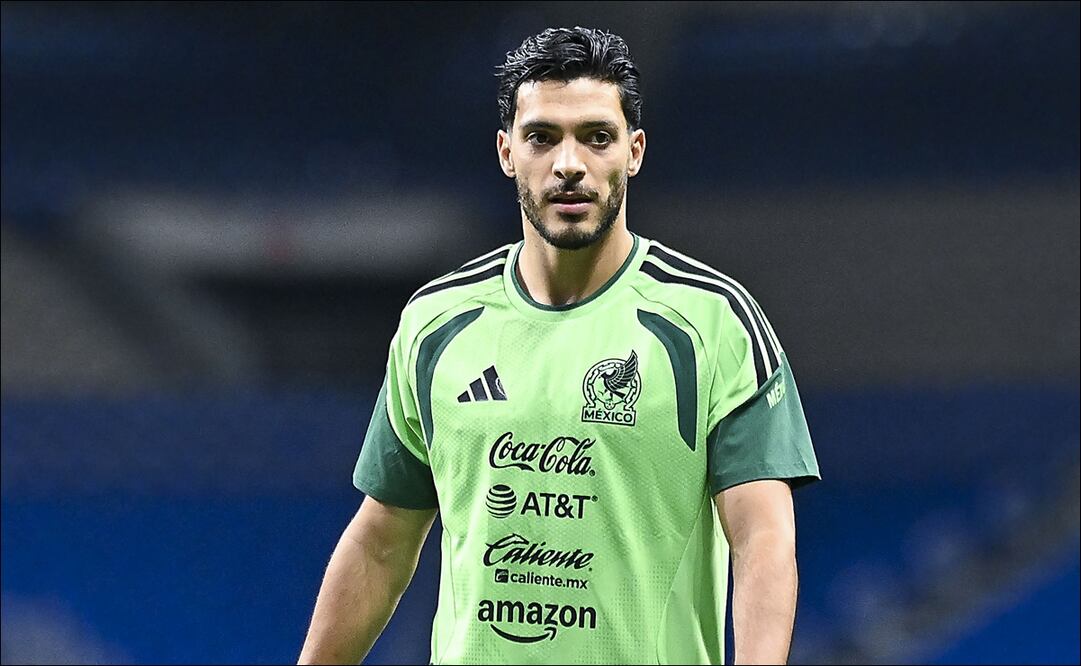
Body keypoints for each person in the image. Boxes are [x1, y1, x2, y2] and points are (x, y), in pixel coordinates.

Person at [298, 26, 820, 665]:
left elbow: (764, 539)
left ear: (634, 151)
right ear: (506, 152)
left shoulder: (712, 321)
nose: (568, 163)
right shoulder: (437, 322)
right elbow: (381, 541)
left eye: (596, 137)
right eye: (542, 137)